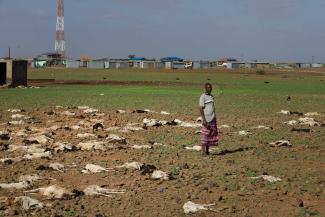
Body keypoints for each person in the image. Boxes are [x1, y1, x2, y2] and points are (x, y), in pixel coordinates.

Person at [199, 83, 219, 155]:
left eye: (210, 87)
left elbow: (212, 107)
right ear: (205, 88)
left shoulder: (211, 97)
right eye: (208, 87)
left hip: (212, 118)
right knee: (205, 135)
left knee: (210, 134)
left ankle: (207, 151)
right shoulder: (203, 97)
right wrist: (203, 119)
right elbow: (201, 108)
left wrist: (214, 116)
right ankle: (203, 152)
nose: (209, 89)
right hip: (206, 119)